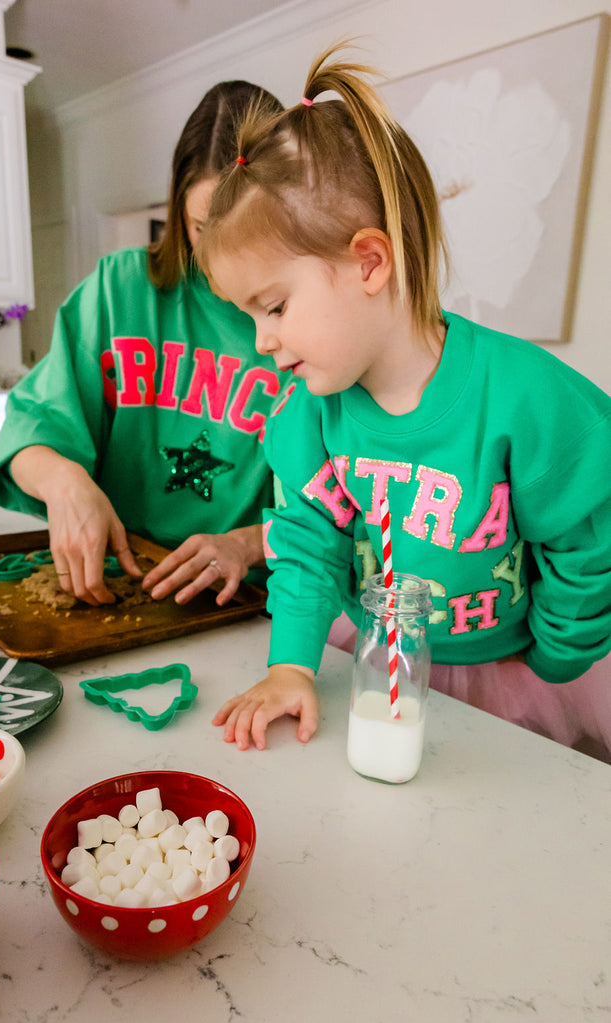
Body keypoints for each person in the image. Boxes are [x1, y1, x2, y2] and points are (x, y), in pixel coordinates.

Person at [197, 45, 611, 758]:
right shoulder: (306, 416)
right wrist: (291, 665)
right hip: (375, 662)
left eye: (273, 307)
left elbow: (587, 548)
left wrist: (552, 666)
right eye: (249, 318)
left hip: (516, 674)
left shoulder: (528, 399)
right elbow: (304, 546)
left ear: (368, 261)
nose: (261, 342)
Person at [0, 80, 286, 607]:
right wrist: (64, 481)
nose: (217, 260)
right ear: (178, 212)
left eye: (244, 232)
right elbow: (25, 438)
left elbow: (344, 514)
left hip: (243, 606)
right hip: (113, 588)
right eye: (201, 228)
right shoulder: (118, 291)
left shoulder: (308, 323)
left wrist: (246, 544)